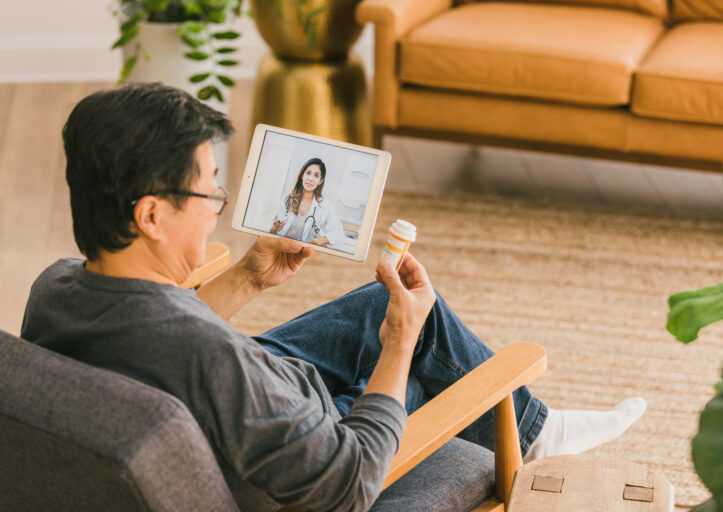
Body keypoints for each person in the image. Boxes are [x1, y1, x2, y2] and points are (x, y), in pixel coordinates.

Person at [21, 83, 647, 511]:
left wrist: (247, 277)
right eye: (209, 194)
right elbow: (348, 485)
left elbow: (153, 338)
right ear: (152, 215)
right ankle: (534, 434)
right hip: (307, 451)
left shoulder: (56, 289)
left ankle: (536, 426)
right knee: (417, 343)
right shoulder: (216, 362)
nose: (216, 212)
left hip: (228, 408)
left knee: (380, 305)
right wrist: (399, 346)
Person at [270, 157, 345, 248]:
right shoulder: (287, 199)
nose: (310, 179)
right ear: (302, 176)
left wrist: (323, 239)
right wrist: (275, 228)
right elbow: (270, 231)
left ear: (320, 181)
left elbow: (339, 234)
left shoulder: (326, 206)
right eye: (308, 173)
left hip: (304, 253)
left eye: (316, 176)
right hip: (280, 247)